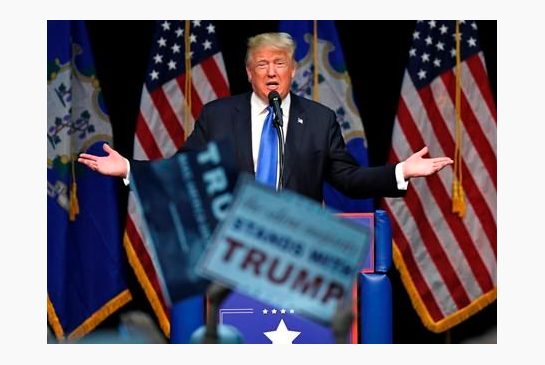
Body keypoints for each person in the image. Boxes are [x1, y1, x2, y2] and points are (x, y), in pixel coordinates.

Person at [78, 32, 452, 202]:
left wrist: (400, 171)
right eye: (262, 64)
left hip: (300, 255)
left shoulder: (319, 120)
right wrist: (128, 168)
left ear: (292, 71)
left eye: (279, 63)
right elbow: (183, 173)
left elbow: (348, 179)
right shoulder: (219, 115)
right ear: (249, 73)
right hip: (234, 255)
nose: (271, 72)